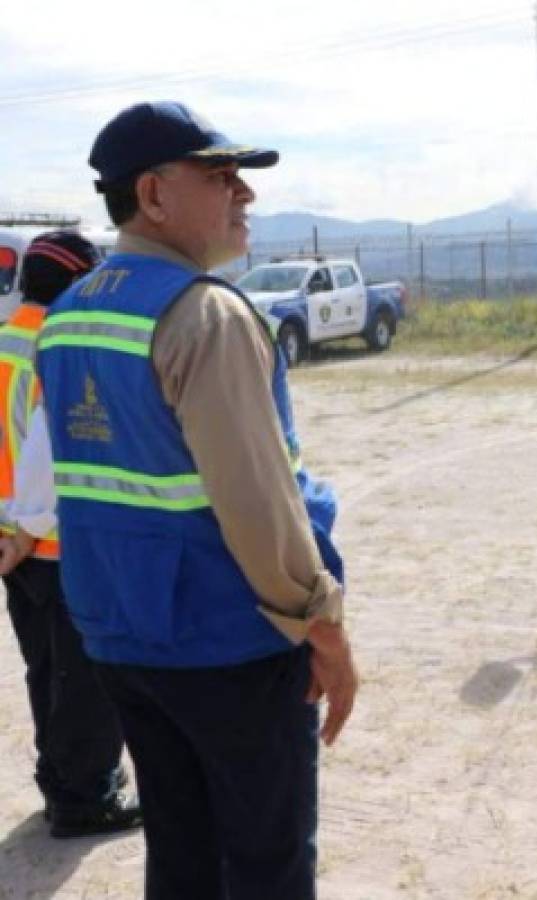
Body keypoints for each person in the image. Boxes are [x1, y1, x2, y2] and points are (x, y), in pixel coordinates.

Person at [36, 101, 358, 899]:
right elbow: (258, 501)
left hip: (120, 638)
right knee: (265, 865)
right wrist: (322, 623)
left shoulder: (72, 313)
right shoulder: (203, 315)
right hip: (227, 643)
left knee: (181, 853)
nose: (242, 194)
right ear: (153, 195)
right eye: (220, 176)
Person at [0, 231, 142, 838]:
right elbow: (49, 453)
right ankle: (85, 798)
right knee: (83, 678)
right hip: (53, 542)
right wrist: (30, 531)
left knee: (43, 669)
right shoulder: (62, 346)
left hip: (11, 549)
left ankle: (58, 780)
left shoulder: (3, 343)